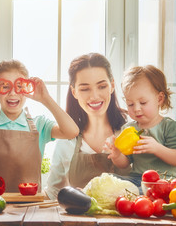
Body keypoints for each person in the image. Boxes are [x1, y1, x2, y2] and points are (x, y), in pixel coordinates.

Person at [0, 59, 79, 192]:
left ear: (27, 90)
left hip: (28, 206)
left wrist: (45, 99)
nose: (12, 93)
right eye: (5, 87)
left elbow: (72, 131)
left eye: (19, 87)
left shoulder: (39, 124)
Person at [45, 53, 131, 200]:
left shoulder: (130, 133)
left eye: (102, 86)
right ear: (74, 92)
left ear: (112, 86)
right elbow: (53, 193)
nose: (95, 96)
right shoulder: (67, 143)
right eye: (85, 89)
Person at [107, 65, 176, 188]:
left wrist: (156, 148)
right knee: (107, 179)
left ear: (159, 99)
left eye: (143, 103)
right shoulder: (128, 129)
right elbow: (125, 164)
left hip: (165, 181)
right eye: (130, 104)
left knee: (136, 192)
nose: (137, 109)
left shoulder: (168, 126)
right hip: (137, 178)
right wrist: (117, 155)